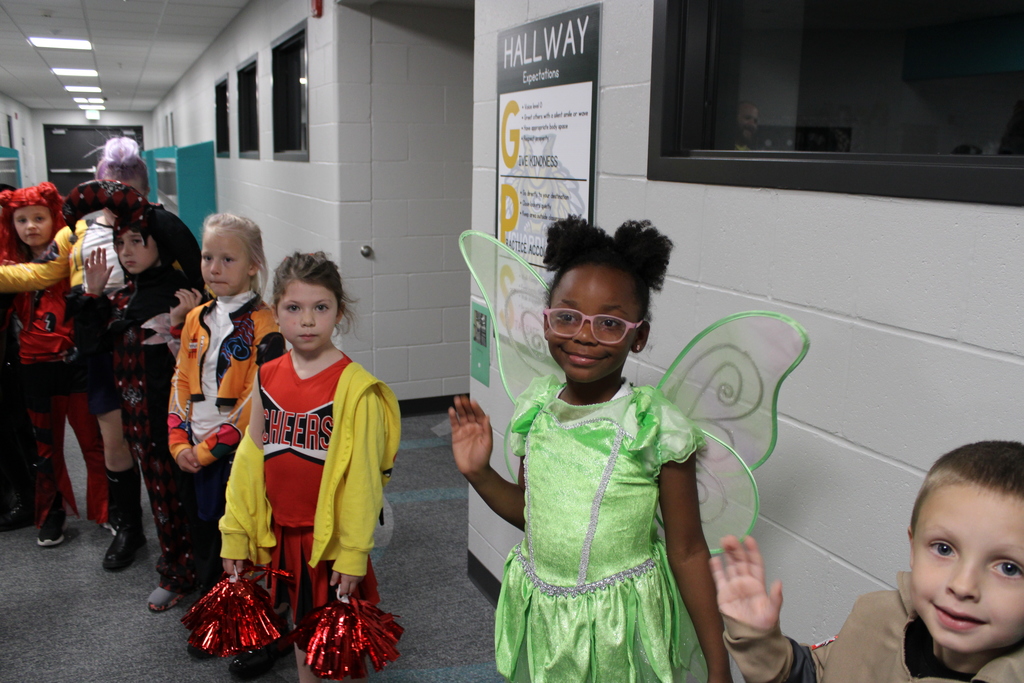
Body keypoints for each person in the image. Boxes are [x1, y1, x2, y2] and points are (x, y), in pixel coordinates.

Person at [450, 216, 732, 682]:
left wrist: (718, 667)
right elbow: (530, 513)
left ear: (637, 336)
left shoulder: (652, 428)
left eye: (609, 323)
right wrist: (479, 474)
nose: (584, 335)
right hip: (545, 617)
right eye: (568, 316)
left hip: (621, 627)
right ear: (546, 321)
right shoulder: (537, 410)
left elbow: (686, 552)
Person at [0, 137, 202, 575]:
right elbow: (50, 273)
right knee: (115, 443)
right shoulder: (76, 233)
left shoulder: (157, 226)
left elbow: (190, 275)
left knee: (165, 444)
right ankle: (129, 525)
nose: (119, 202)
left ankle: (182, 537)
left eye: (128, 190)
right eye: (112, 190)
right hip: (102, 345)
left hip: (153, 342)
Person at [220, 251, 401, 683]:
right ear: (275, 312)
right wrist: (235, 532)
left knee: (340, 653)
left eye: (320, 308)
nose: (307, 320)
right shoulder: (266, 376)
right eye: (293, 308)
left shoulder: (356, 389)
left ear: (339, 312)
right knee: (304, 645)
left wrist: (355, 553)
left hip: (330, 545)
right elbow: (249, 461)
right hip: (283, 537)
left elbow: (362, 483)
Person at [712, 440, 1024, 682]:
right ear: (913, 547)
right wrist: (758, 640)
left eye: (1009, 568)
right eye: (943, 549)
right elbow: (817, 674)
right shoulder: (878, 617)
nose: (962, 585)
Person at [72, 179, 200, 612]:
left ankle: (197, 574)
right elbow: (91, 347)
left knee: (186, 501)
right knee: (162, 499)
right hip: (140, 427)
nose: (126, 251)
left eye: (136, 242)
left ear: (160, 245)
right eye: (120, 242)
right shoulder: (125, 296)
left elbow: (200, 361)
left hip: (179, 425)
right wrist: (92, 293)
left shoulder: (182, 297)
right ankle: (178, 569)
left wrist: (182, 322)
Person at [168, 214, 284, 662]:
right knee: (203, 535)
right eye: (207, 257)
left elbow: (254, 400)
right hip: (191, 449)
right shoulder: (196, 317)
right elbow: (180, 379)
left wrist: (207, 450)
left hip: (234, 453)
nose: (214, 267)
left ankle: (254, 625)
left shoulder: (267, 323)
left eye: (227, 259)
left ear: (254, 265)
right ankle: (216, 614)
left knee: (241, 536)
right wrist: (179, 443)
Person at [0, 183, 107, 546]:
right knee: (46, 449)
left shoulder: (68, 253)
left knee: (93, 444)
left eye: (39, 218)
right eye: (22, 220)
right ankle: (52, 514)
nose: (31, 226)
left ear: (53, 218)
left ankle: (107, 511)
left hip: (74, 364)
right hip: (33, 368)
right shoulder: (9, 265)